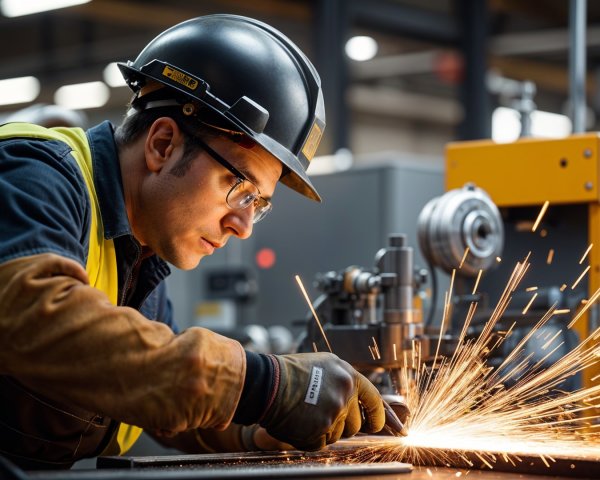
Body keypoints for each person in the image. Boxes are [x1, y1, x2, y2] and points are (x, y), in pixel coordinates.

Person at [0, 14, 399, 470]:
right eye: (240, 188)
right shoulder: (32, 174)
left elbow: (148, 383)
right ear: (163, 144)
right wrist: (264, 385)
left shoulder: (139, 253)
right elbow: (37, 323)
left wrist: (264, 426)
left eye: (259, 204)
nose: (244, 226)